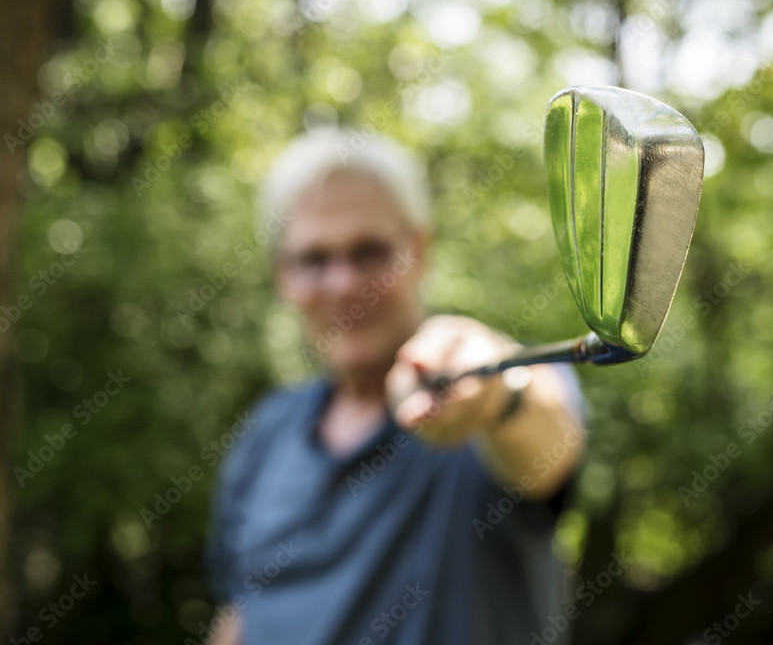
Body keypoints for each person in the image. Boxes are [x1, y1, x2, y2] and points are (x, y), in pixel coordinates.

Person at [203, 129, 586, 645]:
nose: (342, 284)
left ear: (418, 251)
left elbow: (547, 439)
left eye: (369, 252)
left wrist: (496, 395)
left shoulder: (481, 382)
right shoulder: (265, 434)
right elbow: (241, 614)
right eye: (314, 259)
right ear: (282, 276)